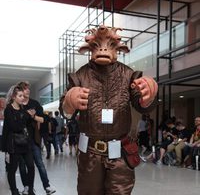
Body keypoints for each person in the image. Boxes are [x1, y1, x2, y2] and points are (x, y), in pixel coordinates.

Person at [60, 25, 158, 194]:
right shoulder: (80, 75)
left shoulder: (129, 75)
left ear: (118, 49)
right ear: (90, 48)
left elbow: (142, 105)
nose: (103, 49)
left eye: (110, 45)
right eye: (97, 45)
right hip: (90, 154)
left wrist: (148, 96)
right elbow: (67, 112)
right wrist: (69, 101)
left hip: (120, 154)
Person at [17, 81, 56, 195]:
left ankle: (47, 186)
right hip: (20, 139)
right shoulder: (16, 104)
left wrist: (34, 116)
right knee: (23, 166)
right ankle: (27, 187)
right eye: (25, 89)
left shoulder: (34, 103)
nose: (27, 90)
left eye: (28, 88)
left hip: (33, 139)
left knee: (39, 163)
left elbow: (44, 119)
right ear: (19, 91)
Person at [1, 85, 35, 195]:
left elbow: (26, 125)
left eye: (23, 96)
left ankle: (30, 189)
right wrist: (26, 116)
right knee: (12, 169)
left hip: (25, 143)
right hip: (14, 144)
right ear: (14, 97)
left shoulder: (22, 109)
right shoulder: (8, 110)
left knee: (30, 166)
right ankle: (14, 191)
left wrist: (31, 116)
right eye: (20, 96)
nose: (22, 98)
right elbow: (14, 127)